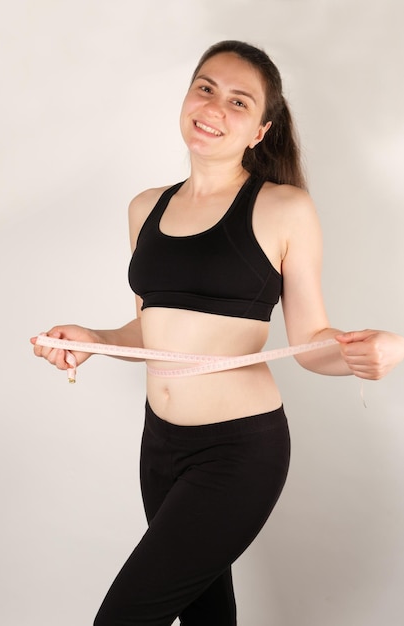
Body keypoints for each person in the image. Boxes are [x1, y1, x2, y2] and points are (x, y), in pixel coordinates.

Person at [31, 40, 404, 626]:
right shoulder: (144, 208)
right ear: (187, 96)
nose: (214, 107)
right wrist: (89, 337)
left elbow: (313, 342)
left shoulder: (284, 208)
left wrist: (381, 351)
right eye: (205, 88)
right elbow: (150, 333)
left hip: (238, 453)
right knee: (206, 616)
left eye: (239, 101)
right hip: (159, 447)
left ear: (261, 130)